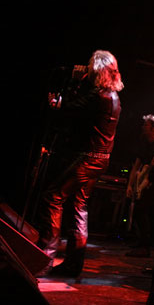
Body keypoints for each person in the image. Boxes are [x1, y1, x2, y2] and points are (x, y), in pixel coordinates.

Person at [36, 50, 123, 277]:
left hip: (87, 158)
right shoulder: (113, 96)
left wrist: (57, 102)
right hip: (100, 160)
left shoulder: (98, 96)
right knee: (78, 206)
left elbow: (70, 109)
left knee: (53, 198)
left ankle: (43, 258)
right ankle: (74, 265)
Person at [125, 114, 154, 257]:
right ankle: (142, 242)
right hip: (142, 183)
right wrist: (130, 185)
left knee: (144, 212)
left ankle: (145, 246)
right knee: (138, 212)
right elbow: (136, 166)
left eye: (146, 125)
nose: (143, 127)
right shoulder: (144, 143)